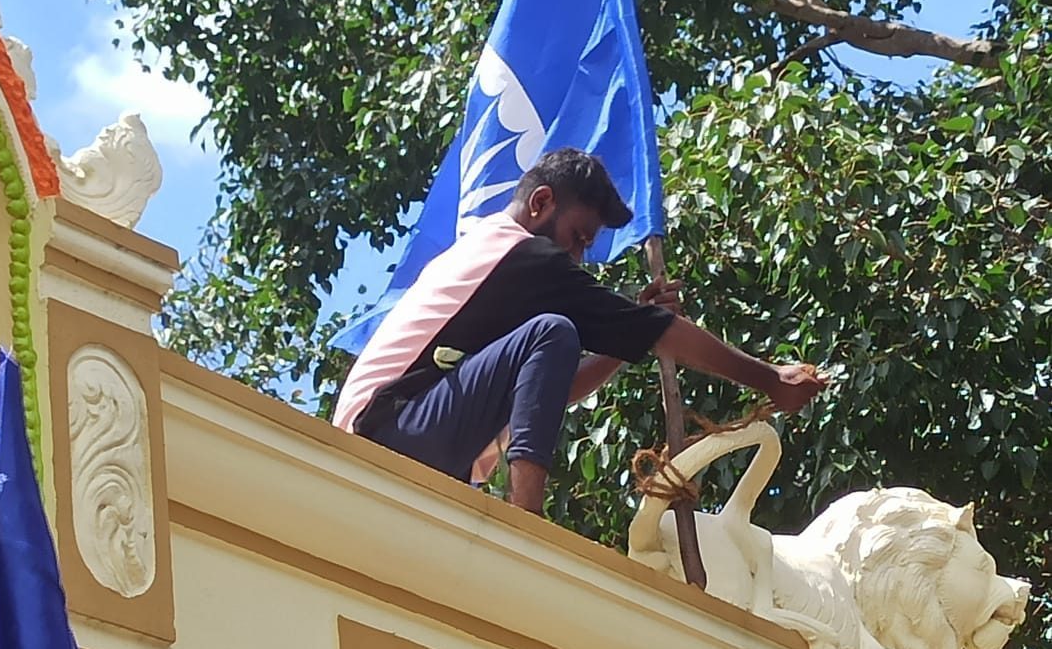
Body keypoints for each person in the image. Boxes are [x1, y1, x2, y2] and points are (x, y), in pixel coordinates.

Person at [333, 148, 827, 513]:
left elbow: (551, 392)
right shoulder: (522, 253)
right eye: (578, 238)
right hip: (383, 429)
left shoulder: (491, 256)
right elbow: (663, 333)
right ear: (540, 203)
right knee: (555, 331)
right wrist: (770, 379)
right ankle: (524, 518)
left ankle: (507, 510)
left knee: (554, 335)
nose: (577, 257)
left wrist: (619, 342)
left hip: (406, 434)